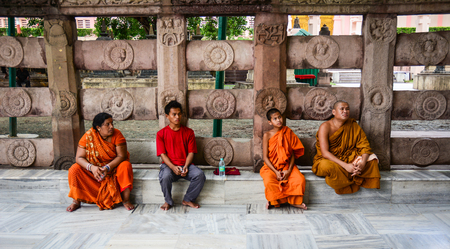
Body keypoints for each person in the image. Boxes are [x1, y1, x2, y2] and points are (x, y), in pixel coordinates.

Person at [66, 112, 134, 212]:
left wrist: (107, 167)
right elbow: (79, 158)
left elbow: (122, 156)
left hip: (114, 170)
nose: (111, 126)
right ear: (98, 127)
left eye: (112, 123)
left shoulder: (117, 134)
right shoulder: (88, 137)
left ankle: (126, 200)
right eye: (107, 124)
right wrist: (92, 168)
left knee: (126, 165)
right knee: (74, 169)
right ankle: (76, 201)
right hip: (95, 173)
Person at [312, 101, 380, 194]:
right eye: (342, 109)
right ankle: (351, 177)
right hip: (330, 160)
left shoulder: (353, 125)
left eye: (347, 109)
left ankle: (353, 171)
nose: (345, 111)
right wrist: (345, 166)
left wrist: (363, 163)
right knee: (327, 166)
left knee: (372, 159)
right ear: (334, 112)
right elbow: (325, 153)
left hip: (349, 157)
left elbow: (364, 146)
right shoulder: (325, 126)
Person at [157, 100, 206, 211]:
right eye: (174, 114)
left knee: (199, 175)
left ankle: (188, 199)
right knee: (165, 176)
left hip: (185, 165)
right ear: (167, 116)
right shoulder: (161, 134)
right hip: (169, 166)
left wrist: (186, 166)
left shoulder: (189, 132)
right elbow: (163, 155)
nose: (177, 117)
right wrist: (173, 167)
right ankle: (168, 201)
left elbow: (191, 153)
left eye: (179, 114)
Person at [260, 108, 307, 210]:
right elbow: (265, 157)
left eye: (279, 117)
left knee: (299, 179)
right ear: (270, 122)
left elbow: (293, 154)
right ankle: (274, 201)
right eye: (275, 118)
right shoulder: (267, 135)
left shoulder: (288, 132)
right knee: (269, 181)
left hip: (287, 165)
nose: (278, 120)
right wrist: (276, 172)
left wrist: (289, 170)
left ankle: (294, 202)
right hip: (271, 167)